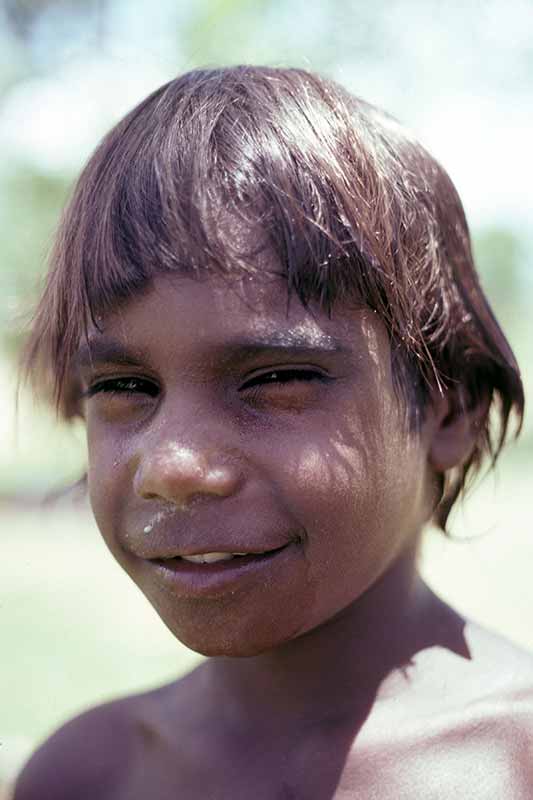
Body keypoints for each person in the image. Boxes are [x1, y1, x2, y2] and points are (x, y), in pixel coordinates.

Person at [14, 65, 533, 799]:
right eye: (124, 386)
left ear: (449, 410)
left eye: (275, 378)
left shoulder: (513, 764)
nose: (172, 466)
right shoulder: (85, 777)